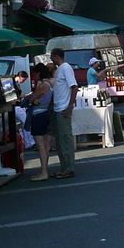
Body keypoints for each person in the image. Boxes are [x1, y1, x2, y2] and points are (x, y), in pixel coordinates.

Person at [49, 48, 78, 179]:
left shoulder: (66, 68)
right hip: (57, 108)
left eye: (51, 56)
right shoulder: (59, 69)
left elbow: (74, 87)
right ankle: (64, 167)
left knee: (65, 139)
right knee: (60, 141)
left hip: (63, 108)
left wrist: (70, 105)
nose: (50, 59)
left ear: (56, 57)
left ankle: (69, 168)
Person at [25, 63, 54, 181]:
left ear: (38, 73)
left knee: (40, 145)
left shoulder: (42, 86)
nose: (35, 76)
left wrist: (33, 99)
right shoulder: (50, 84)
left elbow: (31, 99)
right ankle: (44, 170)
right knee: (45, 145)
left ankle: (43, 172)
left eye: (35, 74)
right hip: (46, 113)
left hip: (38, 115)